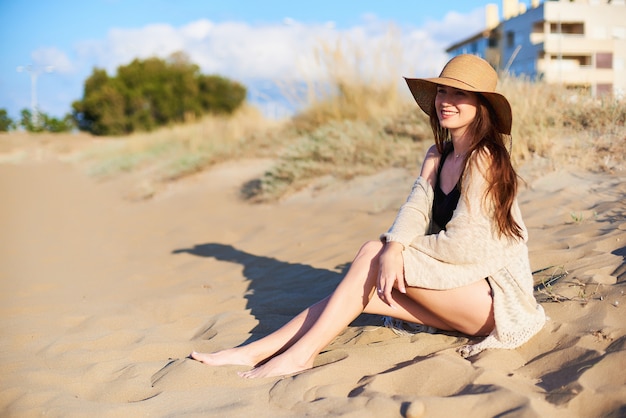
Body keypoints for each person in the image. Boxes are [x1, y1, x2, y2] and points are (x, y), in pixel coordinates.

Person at [191, 54, 545, 379]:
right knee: (358, 289)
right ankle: (256, 350)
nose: (445, 101)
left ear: (481, 105)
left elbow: (466, 246)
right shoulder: (438, 155)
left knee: (372, 256)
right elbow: (415, 209)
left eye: (459, 94)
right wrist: (393, 250)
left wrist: (395, 255)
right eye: (442, 91)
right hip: (457, 294)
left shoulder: (485, 159)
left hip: (494, 303)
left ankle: (301, 356)